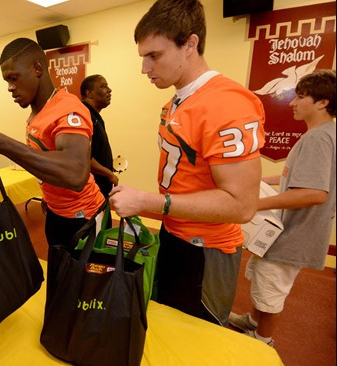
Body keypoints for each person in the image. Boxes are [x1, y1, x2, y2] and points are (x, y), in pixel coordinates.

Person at [109, 0, 266, 326]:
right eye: (143, 57)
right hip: (174, 234)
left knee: (199, 339)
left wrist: (148, 201)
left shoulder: (226, 104)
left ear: (190, 44)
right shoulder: (176, 101)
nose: (145, 68)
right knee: (167, 325)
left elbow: (242, 205)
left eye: (155, 55)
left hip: (206, 249)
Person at [0, 37, 105, 248]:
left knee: (79, 280)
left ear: (38, 68)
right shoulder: (38, 112)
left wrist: (0, 142)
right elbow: (48, 159)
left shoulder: (68, 108)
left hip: (83, 216)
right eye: (7, 81)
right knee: (58, 278)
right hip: (56, 210)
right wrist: (49, 196)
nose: (10, 87)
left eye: (14, 78)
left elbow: (76, 173)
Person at [229, 70, 336, 347]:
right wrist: (266, 180)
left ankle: (262, 340)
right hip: (301, 230)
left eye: (300, 97)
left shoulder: (318, 139)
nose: (292, 102)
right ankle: (254, 322)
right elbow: (308, 175)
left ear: (322, 102)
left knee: (271, 288)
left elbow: (314, 192)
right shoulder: (327, 133)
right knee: (263, 279)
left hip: (295, 233)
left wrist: (255, 203)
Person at [80, 75, 118, 198]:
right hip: (91, 193)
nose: (109, 90)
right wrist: (109, 174)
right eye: (103, 86)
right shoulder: (84, 116)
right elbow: (83, 157)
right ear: (89, 93)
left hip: (100, 190)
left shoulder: (94, 116)